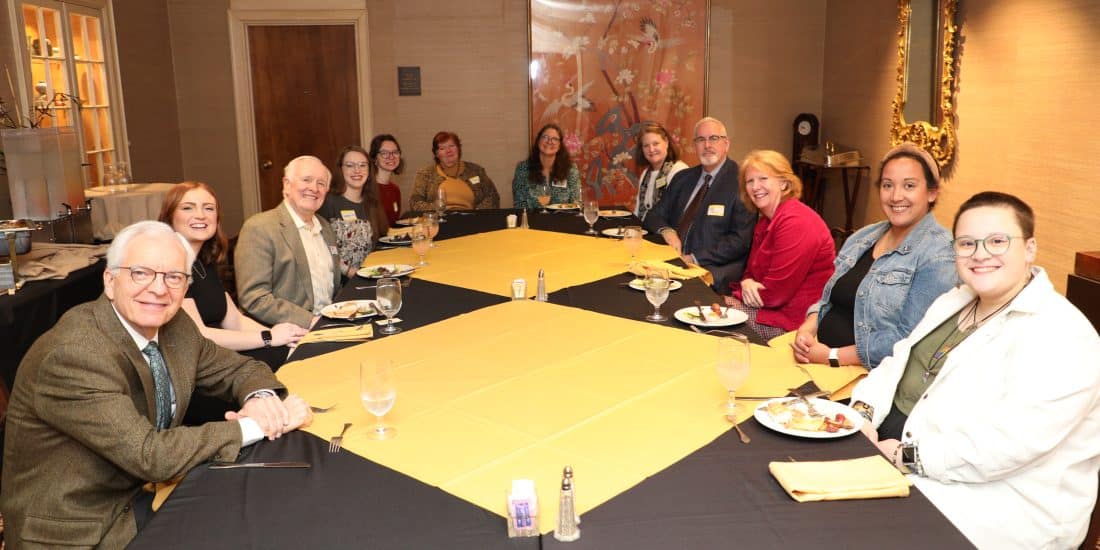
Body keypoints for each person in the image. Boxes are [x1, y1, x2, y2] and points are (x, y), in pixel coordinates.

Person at [0, 221, 313, 547]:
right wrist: (255, 426)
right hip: (82, 527)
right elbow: (151, 454)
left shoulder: (176, 325)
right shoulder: (74, 354)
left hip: (145, 493)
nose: (159, 289)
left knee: (277, 512)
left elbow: (238, 369)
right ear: (110, 281)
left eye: (173, 277)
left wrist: (261, 398)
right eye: (140, 273)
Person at [850, 192, 1100, 549]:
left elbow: (1008, 447)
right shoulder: (956, 300)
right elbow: (895, 363)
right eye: (967, 243)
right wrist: (861, 417)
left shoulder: (1064, 334)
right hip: (905, 453)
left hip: (1001, 505)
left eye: (998, 241)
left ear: (1029, 249)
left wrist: (904, 456)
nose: (980, 254)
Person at [791, 143, 957, 367]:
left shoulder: (940, 253)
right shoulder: (863, 237)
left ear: (931, 192)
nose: (896, 196)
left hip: (867, 377)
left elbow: (909, 337)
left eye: (909, 185)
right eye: (888, 185)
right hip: (816, 359)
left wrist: (833, 357)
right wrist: (807, 329)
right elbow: (827, 299)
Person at [158, 181, 306, 355]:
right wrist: (269, 338)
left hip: (220, 353)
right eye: (188, 208)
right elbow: (200, 336)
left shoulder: (204, 263)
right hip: (197, 362)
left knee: (298, 351)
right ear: (170, 217)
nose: (200, 215)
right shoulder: (169, 267)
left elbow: (236, 322)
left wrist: (286, 338)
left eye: (209, 208)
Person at [724, 150, 834, 340]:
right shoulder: (766, 222)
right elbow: (749, 273)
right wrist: (747, 283)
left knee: (711, 320)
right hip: (770, 311)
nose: (755, 187)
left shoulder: (796, 221)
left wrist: (742, 290)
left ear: (784, 183)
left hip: (794, 325)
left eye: (763, 178)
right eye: (750, 181)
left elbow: (775, 296)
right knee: (707, 309)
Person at [643, 116, 755, 292]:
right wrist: (667, 231)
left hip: (709, 270)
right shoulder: (682, 178)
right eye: (701, 140)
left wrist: (694, 258)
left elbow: (740, 240)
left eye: (714, 138)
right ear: (695, 146)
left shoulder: (742, 181)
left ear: (726, 144)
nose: (707, 145)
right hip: (670, 264)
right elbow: (653, 215)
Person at [236, 155, 341, 329]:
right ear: (286, 185)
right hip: (287, 333)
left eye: (321, 183)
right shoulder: (260, 227)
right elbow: (254, 298)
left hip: (329, 321)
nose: (314, 188)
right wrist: (311, 322)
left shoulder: (324, 226)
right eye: (306, 180)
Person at [318, 145, 390, 277]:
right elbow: (319, 249)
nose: (357, 170)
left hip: (369, 274)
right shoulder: (328, 202)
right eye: (350, 165)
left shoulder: (372, 202)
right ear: (341, 169)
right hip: (340, 281)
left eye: (362, 165)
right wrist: (350, 272)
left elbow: (380, 242)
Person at [410, 131, 500, 211]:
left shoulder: (476, 170)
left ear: (458, 148)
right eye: (442, 148)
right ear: (437, 154)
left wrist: (475, 212)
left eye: (451, 146)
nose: (448, 151)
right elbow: (415, 203)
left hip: (472, 220)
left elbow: (492, 196)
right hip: (438, 220)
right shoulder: (425, 174)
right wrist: (439, 208)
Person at [511, 123, 581, 209]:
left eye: (554, 139)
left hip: (563, 221)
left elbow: (576, 203)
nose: (549, 141)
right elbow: (519, 204)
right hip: (532, 221)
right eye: (545, 137)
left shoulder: (570, 170)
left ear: (560, 145)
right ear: (538, 141)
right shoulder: (523, 169)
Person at [631, 121, 688, 220]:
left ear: (666, 143)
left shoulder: (679, 171)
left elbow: (682, 214)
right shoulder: (645, 173)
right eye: (646, 146)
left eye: (655, 143)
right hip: (645, 232)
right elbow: (637, 211)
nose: (651, 149)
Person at [370, 134, 406, 225]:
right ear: (374, 158)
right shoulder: (367, 188)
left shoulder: (395, 189)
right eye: (384, 153)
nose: (391, 157)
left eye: (395, 152)